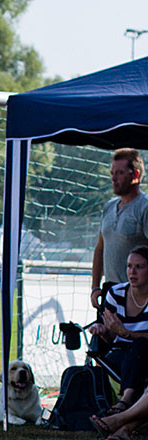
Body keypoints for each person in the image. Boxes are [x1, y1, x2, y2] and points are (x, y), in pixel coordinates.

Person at [88, 245, 148, 415]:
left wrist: (127, 333)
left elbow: (127, 335)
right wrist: (103, 331)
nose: (132, 272)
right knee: (129, 352)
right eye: (129, 266)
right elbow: (111, 338)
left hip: (145, 351)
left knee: (140, 346)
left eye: (139, 267)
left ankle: (125, 401)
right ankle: (126, 405)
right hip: (120, 354)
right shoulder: (115, 293)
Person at [90, 149, 148, 310]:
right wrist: (95, 287)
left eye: (120, 173)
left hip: (136, 297)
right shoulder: (108, 207)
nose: (114, 178)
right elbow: (100, 248)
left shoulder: (144, 207)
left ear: (135, 175)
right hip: (110, 293)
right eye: (112, 173)